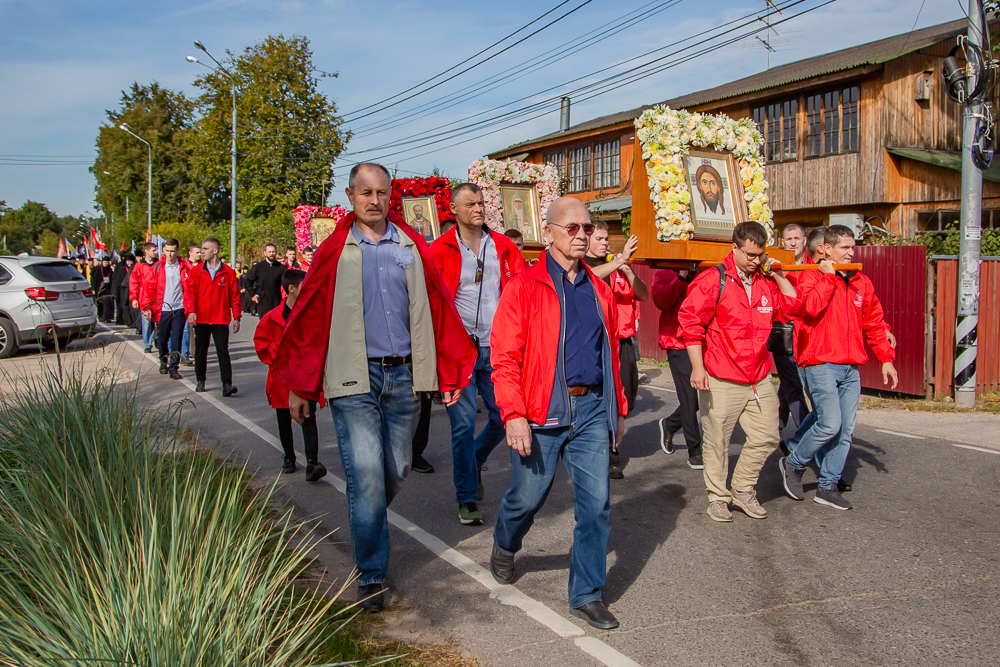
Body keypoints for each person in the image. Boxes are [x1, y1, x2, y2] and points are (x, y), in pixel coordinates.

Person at [275, 162, 476, 613]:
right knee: (365, 475)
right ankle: (370, 574)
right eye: (365, 192)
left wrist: (446, 369)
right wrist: (300, 386)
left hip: (403, 376)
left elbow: (438, 310)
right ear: (350, 196)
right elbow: (309, 321)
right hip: (353, 377)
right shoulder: (334, 250)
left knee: (398, 467)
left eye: (382, 192)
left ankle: (366, 513)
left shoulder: (410, 245)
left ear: (391, 196)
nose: (374, 200)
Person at [490, 197, 627, 631]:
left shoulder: (600, 289)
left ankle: (586, 593)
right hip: (540, 412)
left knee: (597, 504)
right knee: (527, 497)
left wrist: (617, 410)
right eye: (572, 228)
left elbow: (612, 357)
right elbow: (505, 356)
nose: (582, 235)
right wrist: (513, 414)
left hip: (590, 410)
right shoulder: (524, 287)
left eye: (587, 228)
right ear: (548, 233)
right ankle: (504, 543)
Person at [678, 221, 799, 523]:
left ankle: (743, 489)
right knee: (717, 440)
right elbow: (690, 323)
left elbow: (795, 307)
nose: (755, 261)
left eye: (760, 255)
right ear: (734, 248)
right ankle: (718, 498)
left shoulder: (765, 281)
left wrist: (779, 274)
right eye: (750, 255)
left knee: (768, 436)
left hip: (758, 376)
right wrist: (697, 367)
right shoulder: (713, 280)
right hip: (721, 375)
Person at [779, 225, 898, 511]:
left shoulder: (861, 282)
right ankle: (793, 463)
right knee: (829, 423)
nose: (850, 253)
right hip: (820, 362)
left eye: (852, 247)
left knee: (845, 430)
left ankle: (827, 485)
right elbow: (810, 307)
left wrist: (886, 359)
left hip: (850, 366)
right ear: (826, 249)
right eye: (844, 248)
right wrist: (829, 278)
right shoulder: (811, 276)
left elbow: (873, 321)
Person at [429, 182, 526, 526]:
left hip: (497, 346)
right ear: (453, 210)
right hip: (459, 352)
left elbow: (520, 294)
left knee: (504, 417)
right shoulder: (439, 250)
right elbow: (431, 305)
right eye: (469, 204)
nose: (478, 208)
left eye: (481, 202)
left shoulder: (502, 246)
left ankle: (473, 458)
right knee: (462, 425)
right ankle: (467, 496)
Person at [583, 223, 647, 480]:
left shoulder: (618, 265)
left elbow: (642, 294)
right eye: (599, 239)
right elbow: (591, 277)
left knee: (627, 396)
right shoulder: (583, 265)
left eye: (607, 238)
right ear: (586, 241)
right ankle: (609, 453)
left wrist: (628, 271)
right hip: (599, 342)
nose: (605, 243)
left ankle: (608, 439)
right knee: (605, 397)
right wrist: (619, 259)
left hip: (623, 341)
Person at [255, 268, 328, 482]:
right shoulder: (272, 318)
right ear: (291, 289)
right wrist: (283, 348)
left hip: (305, 376)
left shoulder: (311, 314)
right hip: (281, 377)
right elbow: (262, 345)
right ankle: (288, 456)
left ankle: (312, 463)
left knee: (308, 417)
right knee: (283, 419)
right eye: (303, 287)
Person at [652, 268, 704, 469]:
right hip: (677, 341)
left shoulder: (704, 271)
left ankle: (670, 424)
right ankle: (695, 449)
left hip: (702, 342)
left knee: (703, 396)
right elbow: (662, 302)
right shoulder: (664, 274)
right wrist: (681, 276)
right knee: (689, 398)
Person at [185, 237, 241, 397]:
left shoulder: (228, 272)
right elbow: (189, 292)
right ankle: (201, 380)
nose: (202, 252)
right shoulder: (196, 271)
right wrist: (190, 311)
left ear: (215, 251)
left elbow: (235, 295)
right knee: (201, 351)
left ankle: (227, 384)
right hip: (201, 318)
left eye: (205, 249)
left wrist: (236, 317)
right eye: (201, 249)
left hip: (220, 318)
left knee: (223, 350)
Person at [774, 223, 809, 447]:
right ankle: (807, 436)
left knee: (788, 385)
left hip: (807, 333)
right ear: (783, 243)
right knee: (794, 385)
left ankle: (774, 427)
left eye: (797, 238)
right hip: (784, 332)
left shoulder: (814, 267)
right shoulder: (778, 266)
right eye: (789, 239)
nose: (793, 242)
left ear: (804, 241)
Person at [139, 238, 189, 380]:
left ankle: (174, 367)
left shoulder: (184, 267)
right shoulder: (157, 267)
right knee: (162, 339)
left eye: (173, 251)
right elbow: (147, 288)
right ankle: (163, 360)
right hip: (162, 309)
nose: (170, 254)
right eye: (167, 251)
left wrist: (191, 309)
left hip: (179, 308)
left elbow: (191, 289)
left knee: (176, 338)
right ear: (163, 251)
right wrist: (147, 307)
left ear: (178, 251)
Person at [130, 243, 158, 352]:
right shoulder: (139, 266)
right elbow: (134, 282)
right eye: (153, 250)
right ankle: (147, 344)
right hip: (145, 298)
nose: (155, 252)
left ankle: (156, 337)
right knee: (146, 323)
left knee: (158, 322)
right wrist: (134, 298)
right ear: (146, 251)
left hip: (157, 298)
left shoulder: (159, 264)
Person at [245, 243, 285, 316]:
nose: (271, 254)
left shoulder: (281, 268)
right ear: (265, 253)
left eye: (273, 252)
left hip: (276, 302)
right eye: (269, 252)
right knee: (264, 325)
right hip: (263, 302)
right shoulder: (258, 267)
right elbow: (247, 280)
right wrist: (252, 295)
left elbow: (287, 282)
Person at [111, 253, 137, 328]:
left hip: (132, 289)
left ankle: (134, 321)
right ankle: (129, 322)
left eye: (130, 261)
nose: (129, 263)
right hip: (123, 290)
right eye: (127, 261)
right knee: (125, 306)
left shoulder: (135, 268)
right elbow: (117, 281)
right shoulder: (122, 269)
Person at [91, 257, 115, 323]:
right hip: (100, 289)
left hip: (108, 289)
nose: (105, 264)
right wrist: (93, 288)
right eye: (104, 262)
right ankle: (101, 316)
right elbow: (94, 279)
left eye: (107, 262)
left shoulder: (110, 270)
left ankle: (108, 317)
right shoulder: (99, 269)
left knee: (108, 303)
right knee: (101, 303)